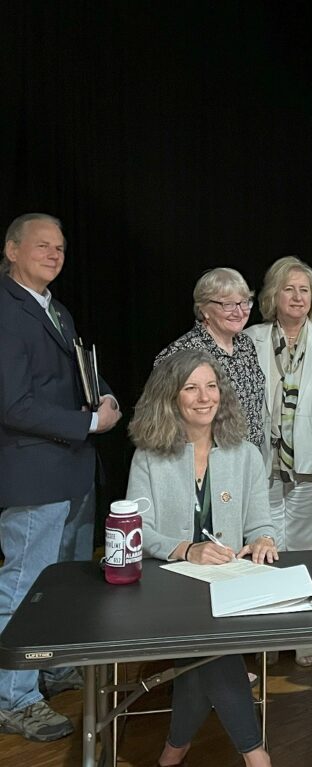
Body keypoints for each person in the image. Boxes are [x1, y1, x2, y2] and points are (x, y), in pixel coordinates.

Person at [0, 213, 121, 741]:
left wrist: (105, 396)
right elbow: (13, 403)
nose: (54, 254)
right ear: (11, 249)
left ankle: (50, 668)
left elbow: (74, 378)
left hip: (72, 471)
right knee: (24, 587)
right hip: (33, 474)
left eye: (61, 248)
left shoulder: (57, 310)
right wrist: (88, 422)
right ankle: (14, 697)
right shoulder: (5, 310)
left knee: (65, 583)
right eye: (42, 245)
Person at [126, 349, 277, 767]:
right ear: (170, 398)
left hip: (228, 581)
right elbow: (138, 528)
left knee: (205, 653)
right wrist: (186, 550)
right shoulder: (150, 456)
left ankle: (175, 749)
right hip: (168, 585)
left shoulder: (244, 453)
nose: (204, 396)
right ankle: (255, 753)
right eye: (191, 388)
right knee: (214, 648)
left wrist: (264, 539)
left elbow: (261, 521)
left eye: (211, 386)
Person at [242, 256, 312, 667]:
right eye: (289, 289)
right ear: (273, 295)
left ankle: (304, 631)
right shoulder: (250, 338)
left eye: (305, 290)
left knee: (305, 550)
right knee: (263, 549)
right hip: (260, 465)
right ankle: (267, 634)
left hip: (311, 464)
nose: (298, 297)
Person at [156, 267, 266, 447]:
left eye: (244, 302)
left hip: (249, 459)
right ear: (204, 310)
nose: (239, 312)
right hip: (205, 461)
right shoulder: (181, 353)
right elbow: (162, 417)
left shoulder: (246, 344)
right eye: (228, 304)